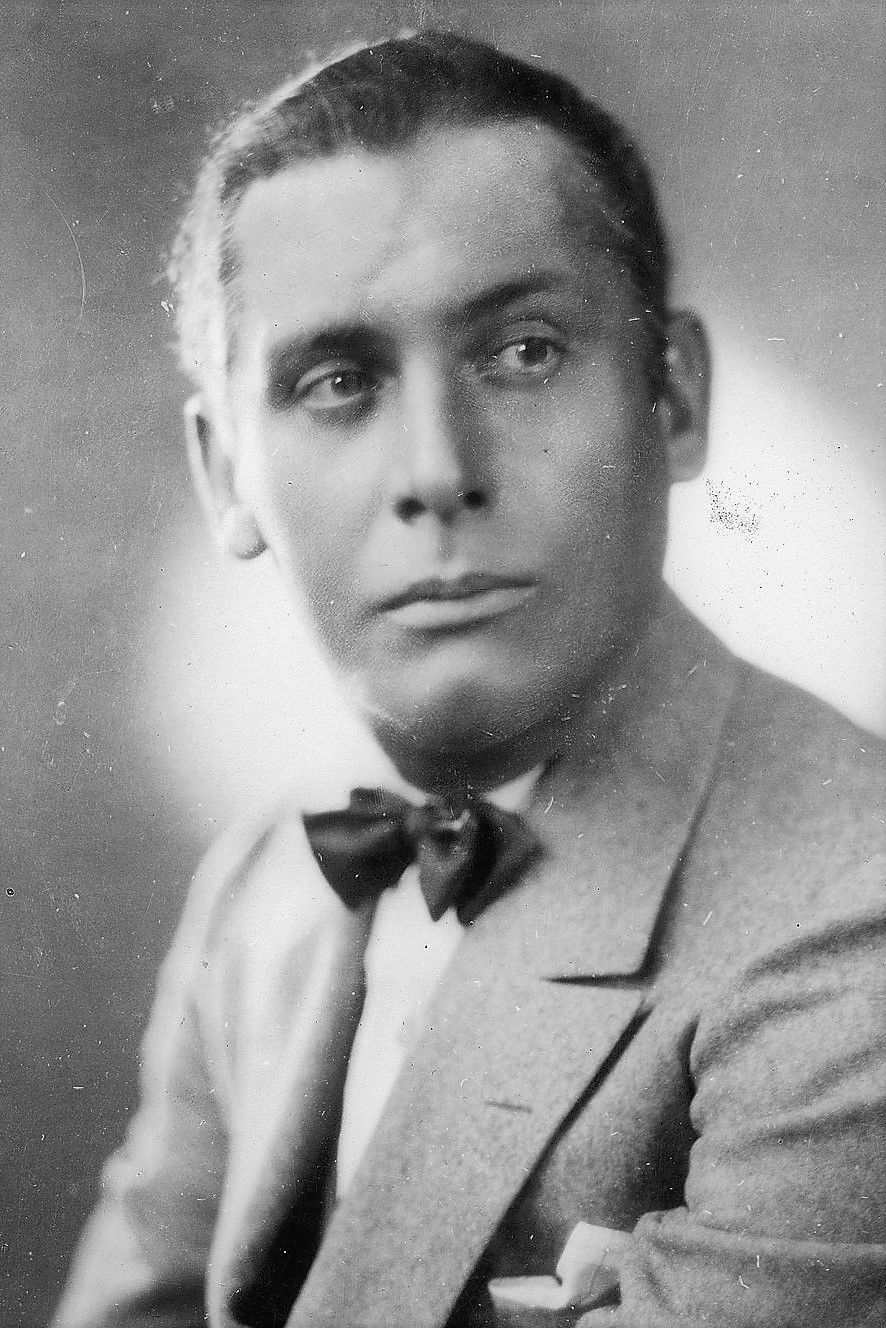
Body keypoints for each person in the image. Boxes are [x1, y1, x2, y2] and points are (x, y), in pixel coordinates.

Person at [53, 30, 886, 1328]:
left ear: (670, 397)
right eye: (338, 382)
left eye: (525, 352)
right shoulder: (266, 886)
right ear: (226, 479)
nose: (437, 471)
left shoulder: (854, 916)